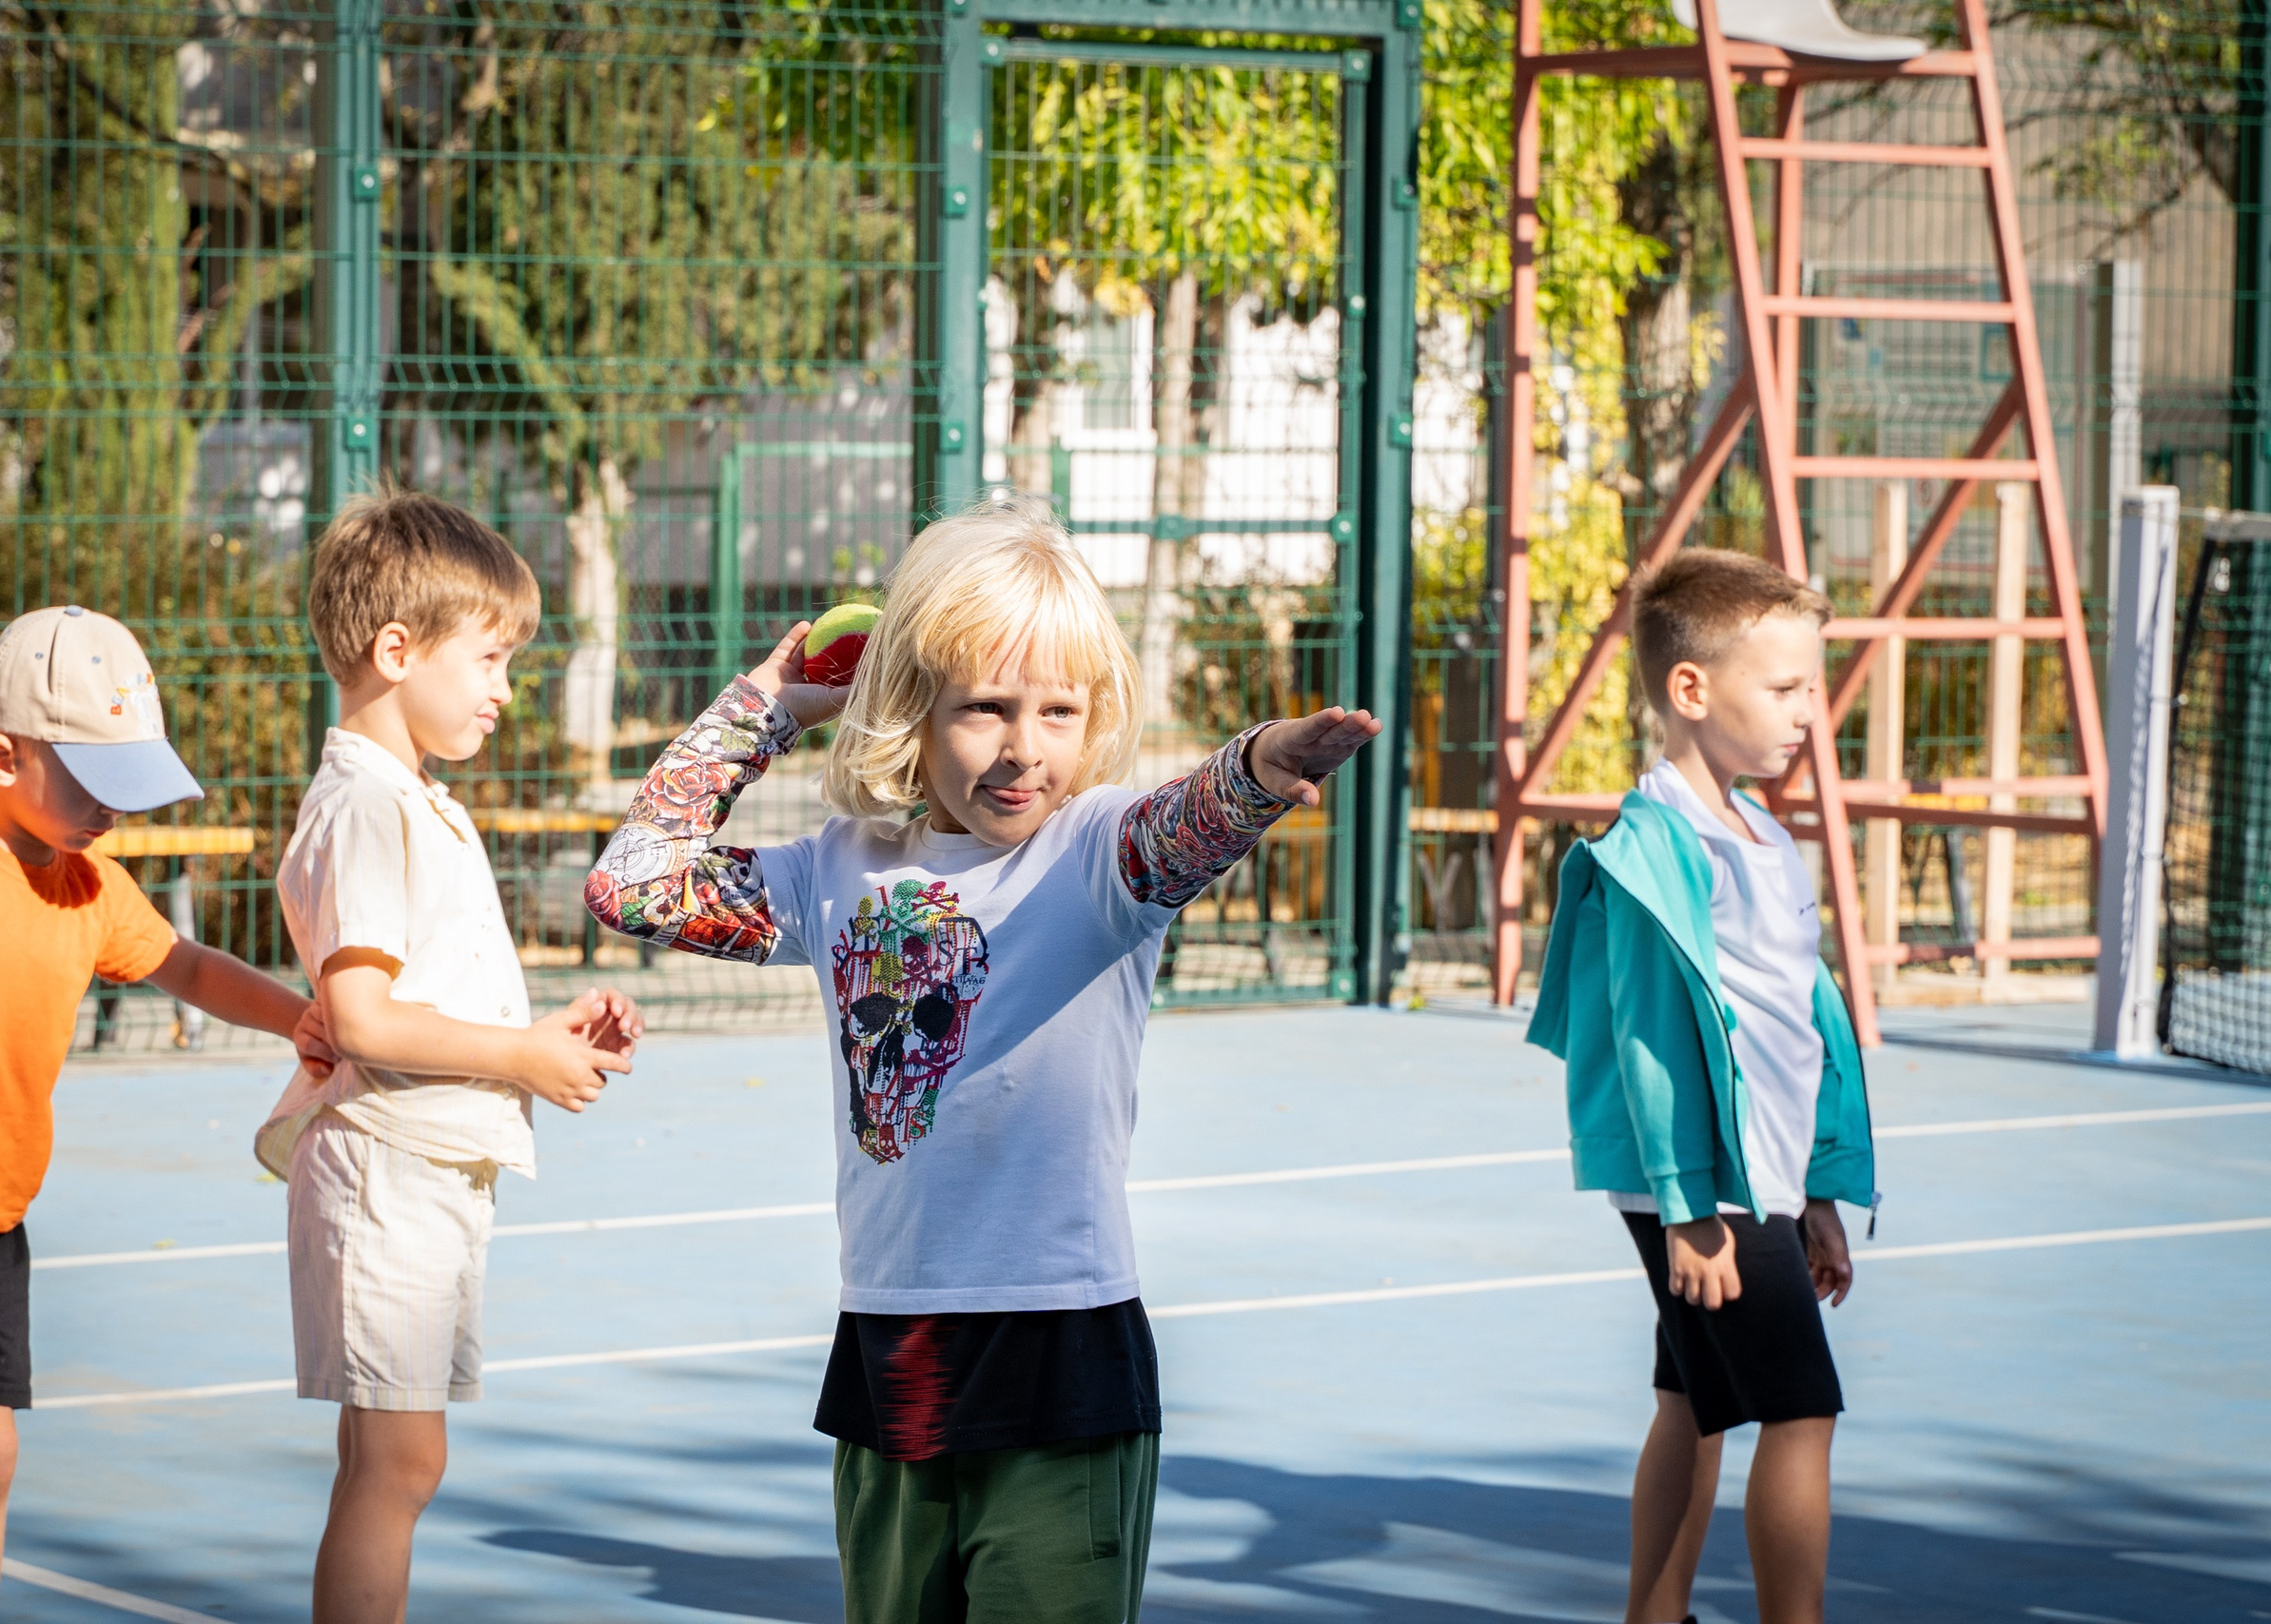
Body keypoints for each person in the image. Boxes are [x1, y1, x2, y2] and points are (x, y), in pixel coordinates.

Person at [584, 497, 1381, 1624]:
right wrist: (763, 709)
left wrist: (1257, 764)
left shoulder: (1100, 854)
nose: (1022, 748)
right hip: (892, 1342)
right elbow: (632, 886)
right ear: (910, 706)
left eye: (1057, 710)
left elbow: (1190, 818)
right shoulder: (838, 867)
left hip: (1064, 1352)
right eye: (983, 708)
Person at [0, 605, 333, 1624]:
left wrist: (301, 1018)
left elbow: (189, 965)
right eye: (96, 783)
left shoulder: (92, 890)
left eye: (130, 784)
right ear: (2, 755)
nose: (115, 810)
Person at [253, 487, 644, 1624]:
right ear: (396, 651)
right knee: (400, 1463)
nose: (504, 688)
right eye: (488, 658)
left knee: (390, 1458)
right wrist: (518, 1058)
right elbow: (365, 1020)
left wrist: (544, 1033)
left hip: (425, 1166)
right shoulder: (365, 809)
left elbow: (427, 990)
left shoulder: (415, 798)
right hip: (387, 1167)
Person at [1525, 547, 1878, 1624]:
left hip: (1759, 1181)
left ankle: (1656, 1613)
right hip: (1703, 1185)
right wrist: (1686, 1206)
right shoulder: (1654, 848)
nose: (1808, 712)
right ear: (1690, 688)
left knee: (1697, 1399)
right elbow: (1649, 1039)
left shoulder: (1765, 836)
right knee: (1801, 1410)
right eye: (1784, 688)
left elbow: (1800, 1030)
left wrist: (1816, 1191)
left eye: (1811, 686)